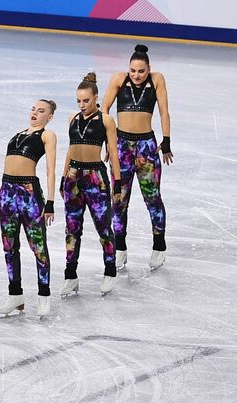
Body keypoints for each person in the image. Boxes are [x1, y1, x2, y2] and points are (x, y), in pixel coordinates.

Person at [102, 44, 172, 270]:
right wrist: (106, 142)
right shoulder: (118, 79)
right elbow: (104, 110)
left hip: (146, 148)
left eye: (141, 71)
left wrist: (167, 139)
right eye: (133, 70)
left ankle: (159, 246)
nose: (136, 75)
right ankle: (120, 248)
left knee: (152, 198)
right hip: (121, 146)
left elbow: (163, 111)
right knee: (119, 199)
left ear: (148, 68)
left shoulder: (157, 79)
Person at [0, 100, 58, 319]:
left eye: (41, 111)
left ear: (49, 117)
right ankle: (15, 294)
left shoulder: (46, 135)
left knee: (38, 247)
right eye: (33, 109)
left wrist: (50, 202)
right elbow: (7, 166)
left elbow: (50, 170)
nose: (35, 113)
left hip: (29, 194)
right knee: (9, 246)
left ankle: (44, 294)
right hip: (7, 193)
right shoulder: (19, 134)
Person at [60, 73, 122, 297]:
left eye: (86, 100)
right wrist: (63, 176)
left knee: (104, 227)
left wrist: (117, 182)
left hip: (96, 178)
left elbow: (113, 153)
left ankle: (110, 270)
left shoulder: (106, 120)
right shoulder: (73, 119)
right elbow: (70, 148)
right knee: (72, 229)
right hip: (73, 177)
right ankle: (70, 275)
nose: (82, 105)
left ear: (96, 97)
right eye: (79, 101)